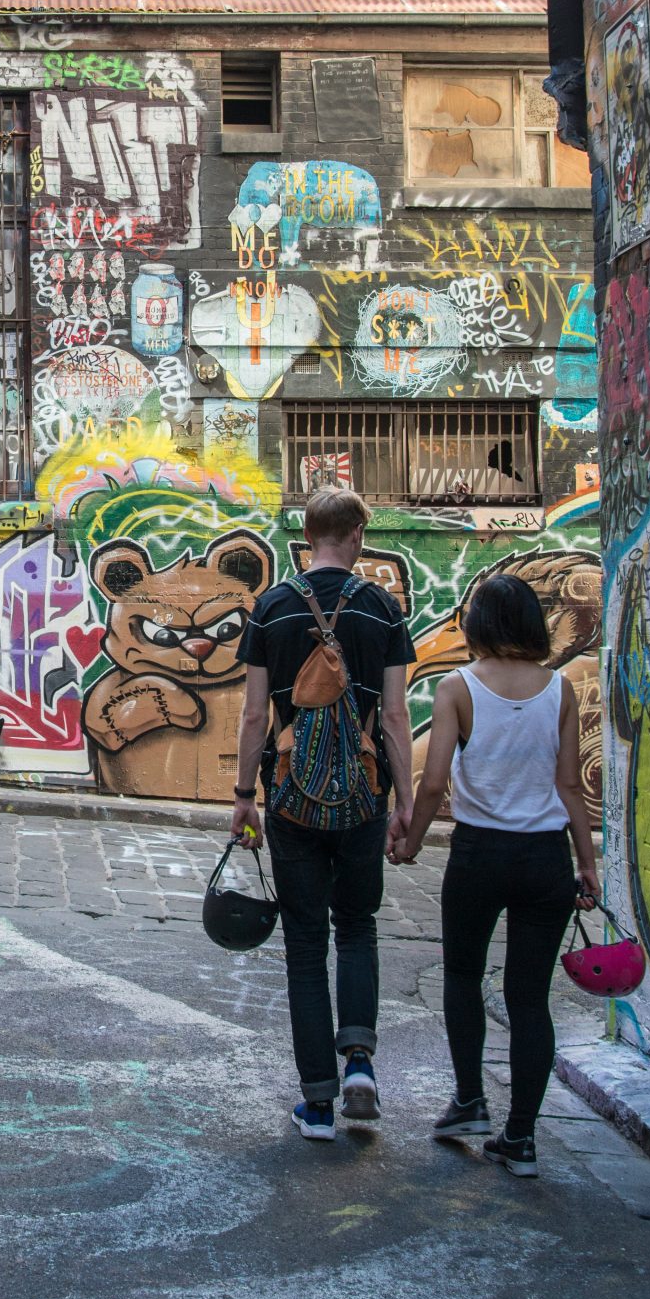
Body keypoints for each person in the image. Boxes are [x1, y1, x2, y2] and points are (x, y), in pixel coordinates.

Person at [394, 572, 599, 1178]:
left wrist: (407, 839)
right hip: (545, 859)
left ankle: (469, 1101)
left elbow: (433, 782)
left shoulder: (459, 688)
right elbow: (568, 785)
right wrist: (586, 862)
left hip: (479, 854)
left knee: (462, 974)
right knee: (530, 998)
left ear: (479, 624)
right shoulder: (558, 690)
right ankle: (522, 1138)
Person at [230, 489, 416, 1141]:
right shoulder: (383, 609)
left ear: (306, 535)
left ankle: (317, 1102)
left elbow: (255, 714)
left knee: (306, 946)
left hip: (291, 802)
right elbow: (394, 717)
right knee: (357, 925)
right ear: (359, 533)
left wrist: (244, 795)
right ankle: (360, 1062)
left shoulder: (272, 608)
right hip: (365, 800)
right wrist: (408, 804)